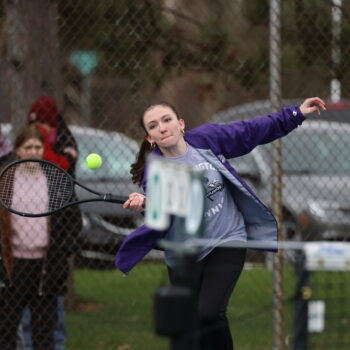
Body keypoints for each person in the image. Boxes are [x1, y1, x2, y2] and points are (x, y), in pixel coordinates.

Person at [115, 97, 326, 350]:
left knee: (210, 313)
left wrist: (295, 114)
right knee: (189, 327)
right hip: (186, 252)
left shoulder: (207, 140)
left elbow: (251, 131)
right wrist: (149, 205)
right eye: (153, 125)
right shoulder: (156, 171)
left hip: (227, 238)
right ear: (150, 138)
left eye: (167, 120)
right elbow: (169, 216)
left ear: (180, 124)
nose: (162, 127)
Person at [17, 96, 81, 350]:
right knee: (23, 321)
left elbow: (71, 218)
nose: (34, 151)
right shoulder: (13, 177)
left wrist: (64, 247)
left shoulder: (63, 147)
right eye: (28, 147)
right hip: (20, 261)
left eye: (38, 146)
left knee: (52, 318)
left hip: (50, 260)